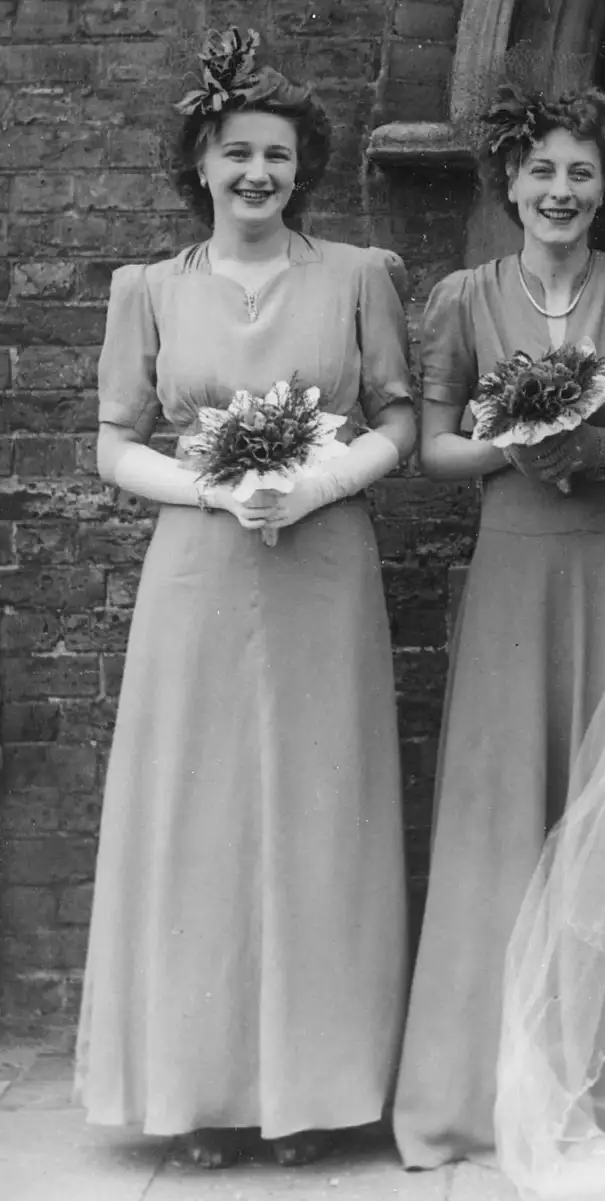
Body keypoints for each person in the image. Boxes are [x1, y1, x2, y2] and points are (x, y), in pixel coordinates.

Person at [74, 27, 414, 1170]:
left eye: (276, 154)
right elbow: (115, 443)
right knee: (200, 817)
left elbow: (400, 420)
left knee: (321, 814)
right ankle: (202, 1092)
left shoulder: (359, 277)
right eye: (236, 154)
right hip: (201, 572)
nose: (258, 173)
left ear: (301, 167)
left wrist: (315, 479)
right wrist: (218, 492)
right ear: (201, 166)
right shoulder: (148, 290)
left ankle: (315, 1092)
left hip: (324, 567)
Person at [391, 80, 605, 1171]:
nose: (560, 191)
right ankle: (471, 1095)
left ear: (604, 184)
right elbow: (432, 451)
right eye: (540, 172)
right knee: (498, 815)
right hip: (515, 571)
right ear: (507, 183)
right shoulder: (462, 300)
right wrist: (518, 447)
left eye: (580, 172)